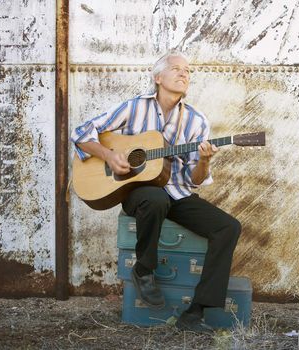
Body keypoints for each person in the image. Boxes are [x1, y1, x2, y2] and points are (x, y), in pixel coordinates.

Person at [70, 52, 241, 334]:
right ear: (158, 77)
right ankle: (144, 269)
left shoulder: (197, 122)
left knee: (229, 227)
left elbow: (193, 179)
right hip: (139, 193)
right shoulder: (134, 108)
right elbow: (82, 132)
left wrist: (205, 161)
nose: (184, 74)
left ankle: (195, 312)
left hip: (178, 194)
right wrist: (109, 155)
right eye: (176, 69)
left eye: (187, 71)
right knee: (155, 197)